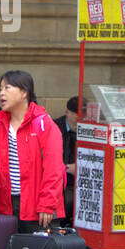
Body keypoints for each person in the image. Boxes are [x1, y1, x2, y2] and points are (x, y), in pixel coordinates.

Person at [0, 70, 65, 235]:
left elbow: (54, 169)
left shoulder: (44, 124)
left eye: (7, 88)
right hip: (5, 204)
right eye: (0, 89)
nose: (1, 93)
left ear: (24, 92)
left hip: (37, 206)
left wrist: (47, 203)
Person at [55, 95, 79, 227]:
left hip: (77, 182)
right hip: (61, 182)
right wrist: (67, 168)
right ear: (67, 113)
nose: (79, 121)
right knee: (68, 200)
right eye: (76, 117)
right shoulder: (55, 128)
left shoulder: (85, 129)